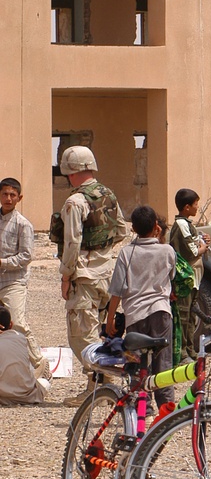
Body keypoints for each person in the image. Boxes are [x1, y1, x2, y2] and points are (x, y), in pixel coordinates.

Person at [56, 146, 128, 363]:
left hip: (84, 277)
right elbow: (122, 230)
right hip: (106, 272)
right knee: (100, 333)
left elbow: (72, 243)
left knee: (82, 337)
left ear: (70, 171)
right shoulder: (108, 195)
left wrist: (66, 276)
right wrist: (101, 249)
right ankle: (99, 387)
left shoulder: (75, 202)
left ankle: (99, 387)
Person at [105, 205, 176, 407]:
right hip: (161, 313)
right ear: (157, 226)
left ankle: (140, 406)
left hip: (135, 316)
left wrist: (110, 320)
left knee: (136, 363)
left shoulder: (126, 253)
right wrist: (160, 238)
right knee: (163, 365)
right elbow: (171, 277)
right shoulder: (168, 250)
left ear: (133, 229)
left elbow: (117, 291)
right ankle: (166, 410)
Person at [0, 178, 48, 379]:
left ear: (19, 198)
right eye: (5, 194)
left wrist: (2, 263)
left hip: (13, 282)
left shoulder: (23, 224)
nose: (8, 198)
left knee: (17, 322)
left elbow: (27, 256)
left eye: (12, 195)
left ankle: (40, 363)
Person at [169, 188, 211, 362]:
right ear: (186, 207)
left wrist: (203, 240)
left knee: (191, 315)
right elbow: (193, 251)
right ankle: (182, 354)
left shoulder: (188, 224)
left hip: (193, 278)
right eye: (195, 204)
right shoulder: (181, 225)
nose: (197, 207)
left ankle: (190, 349)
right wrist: (203, 247)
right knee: (184, 315)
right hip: (185, 278)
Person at [0, 305, 48, 406]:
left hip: (2, 396)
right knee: (44, 383)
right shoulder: (21, 338)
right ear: (11, 324)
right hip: (27, 395)